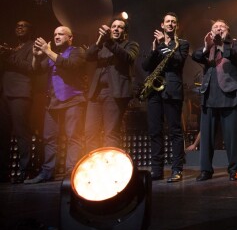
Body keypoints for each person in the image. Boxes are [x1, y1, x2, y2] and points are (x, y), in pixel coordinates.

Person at [25, 26, 86, 184]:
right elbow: (36, 70)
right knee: (49, 138)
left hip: (73, 100)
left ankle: (72, 171)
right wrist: (36, 56)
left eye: (61, 34)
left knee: (73, 137)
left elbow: (69, 65)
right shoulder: (52, 55)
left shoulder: (77, 51)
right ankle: (47, 172)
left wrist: (47, 51)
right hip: (53, 102)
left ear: (70, 37)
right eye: (55, 34)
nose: (57, 36)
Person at [192, 20, 237, 182]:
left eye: (222, 26)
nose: (218, 28)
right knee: (206, 138)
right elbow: (196, 56)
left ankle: (233, 169)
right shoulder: (208, 47)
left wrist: (222, 45)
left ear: (228, 30)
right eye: (215, 27)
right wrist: (207, 47)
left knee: (232, 138)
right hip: (209, 96)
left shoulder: (235, 44)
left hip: (230, 96)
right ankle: (206, 170)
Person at [141, 12, 189, 183]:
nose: (170, 24)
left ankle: (177, 169)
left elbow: (177, 62)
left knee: (175, 131)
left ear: (177, 25)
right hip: (155, 92)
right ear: (162, 25)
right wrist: (154, 50)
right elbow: (145, 66)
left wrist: (163, 45)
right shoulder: (156, 44)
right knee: (155, 132)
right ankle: (157, 170)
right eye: (167, 21)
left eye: (173, 22)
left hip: (172, 91)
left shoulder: (182, 44)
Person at [84, 18, 140, 152]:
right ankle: (93, 166)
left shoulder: (131, 45)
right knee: (89, 132)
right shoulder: (103, 45)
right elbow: (88, 55)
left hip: (114, 94)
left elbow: (128, 58)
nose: (115, 29)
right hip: (96, 94)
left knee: (111, 133)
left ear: (125, 32)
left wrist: (109, 41)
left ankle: (111, 169)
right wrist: (100, 40)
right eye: (113, 26)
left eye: (119, 27)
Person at [0, 21, 35, 183]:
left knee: (22, 133)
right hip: (5, 93)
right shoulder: (12, 48)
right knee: (3, 133)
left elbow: (30, 68)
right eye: (17, 25)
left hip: (20, 93)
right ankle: (3, 172)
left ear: (30, 30)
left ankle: (25, 170)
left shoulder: (32, 46)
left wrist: (9, 56)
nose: (19, 27)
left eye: (24, 25)